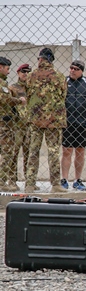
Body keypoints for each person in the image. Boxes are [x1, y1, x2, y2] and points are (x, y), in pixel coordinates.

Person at [23, 48, 66, 193]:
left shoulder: (31, 76)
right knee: (53, 151)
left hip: (35, 119)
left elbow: (28, 94)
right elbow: (63, 95)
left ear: (41, 59)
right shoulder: (59, 76)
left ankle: (29, 183)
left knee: (33, 151)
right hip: (53, 120)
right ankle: (55, 184)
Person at [60, 59, 86, 192]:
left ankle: (77, 180)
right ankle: (64, 179)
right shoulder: (64, 82)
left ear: (81, 71)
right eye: (71, 68)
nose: (72, 71)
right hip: (67, 123)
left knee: (80, 152)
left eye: (76, 69)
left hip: (83, 124)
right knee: (66, 151)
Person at [0, 58, 29, 191]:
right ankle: (5, 181)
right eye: (7, 68)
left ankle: (27, 181)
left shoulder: (31, 88)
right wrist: (19, 101)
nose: (8, 71)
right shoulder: (7, 86)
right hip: (9, 124)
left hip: (21, 124)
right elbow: (5, 100)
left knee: (22, 154)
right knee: (9, 153)